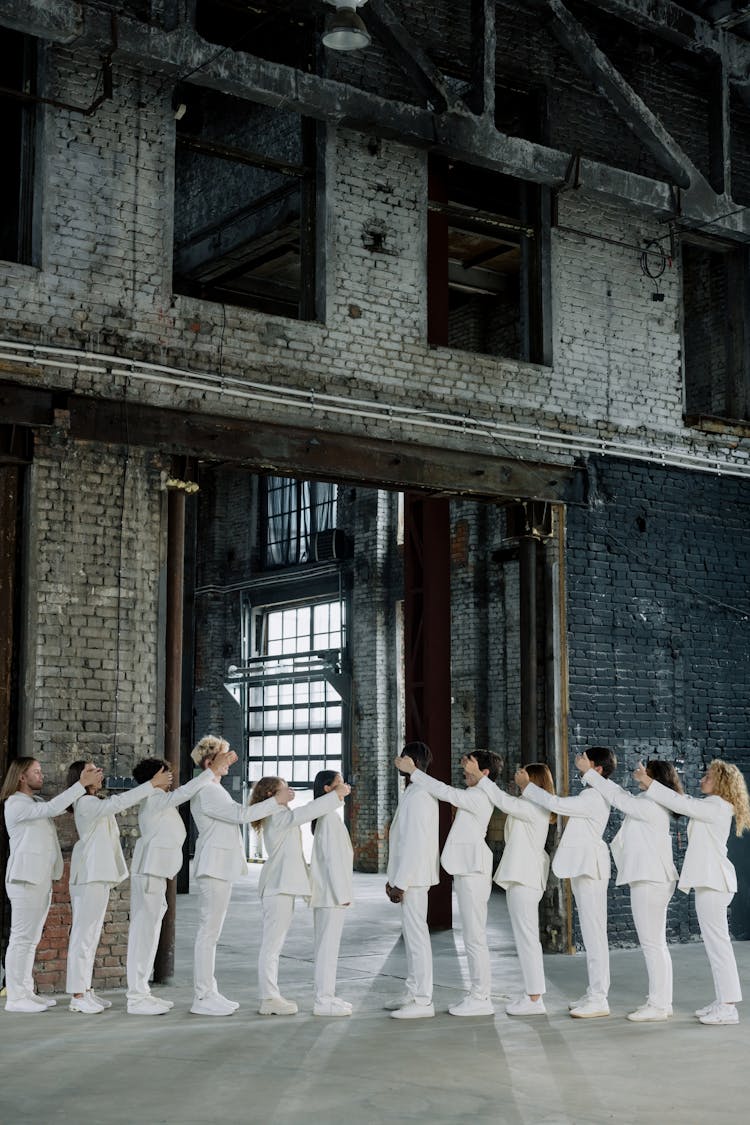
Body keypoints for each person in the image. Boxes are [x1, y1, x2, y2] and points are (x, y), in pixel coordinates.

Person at [638, 757, 750, 1026]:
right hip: (710, 883)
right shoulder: (713, 806)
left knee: (718, 946)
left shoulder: (717, 806)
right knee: (715, 945)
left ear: (721, 782)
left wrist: (650, 782)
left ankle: (728, 1007)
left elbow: (682, 804)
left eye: (708, 777)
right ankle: (723, 1000)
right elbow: (685, 801)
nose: (702, 779)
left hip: (714, 883)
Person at [189, 735, 293, 1017]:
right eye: (224, 756)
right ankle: (202, 995)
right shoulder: (208, 791)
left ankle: (209, 990)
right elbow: (241, 815)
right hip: (213, 867)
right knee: (208, 933)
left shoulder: (214, 789)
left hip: (219, 867)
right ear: (210, 762)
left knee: (212, 933)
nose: (230, 762)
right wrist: (275, 802)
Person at [125, 746, 233, 1015]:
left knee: (150, 934)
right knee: (143, 934)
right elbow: (186, 792)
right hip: (149, 872)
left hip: (157, 873)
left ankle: (143, 993)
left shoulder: (159, 799)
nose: (171, 777)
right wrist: (211, 771)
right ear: (154, 777)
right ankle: (136, 997)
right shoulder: (154, 797)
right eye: (165, 773)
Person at [393, 749, 501, 1016]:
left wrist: (414, 772)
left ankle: (481, 997)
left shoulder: (480, 795)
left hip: (474, 870)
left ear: (485, 773)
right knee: (472, 935)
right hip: (466, 870)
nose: (464, 765)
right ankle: (477, 995)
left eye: (470, 763)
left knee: (475, 937)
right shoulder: (475, 794)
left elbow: (445, 792)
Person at [580, 753, 681, 1022]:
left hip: (650, 881)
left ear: (655, 778)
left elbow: (618, 799)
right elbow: (622, 795)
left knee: (652, 944)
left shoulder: (651, 804)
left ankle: (658, 1005)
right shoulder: (649, 802)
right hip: (653, 879)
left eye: (644, 771)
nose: (638, 774)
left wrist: (590, 774)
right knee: (656, 944)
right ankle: (663, 1002)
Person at [518, 746, 616, 1018]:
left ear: (597, 767)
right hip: (587, 868)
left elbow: (557, 805)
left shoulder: (594, 795)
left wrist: (528, 787)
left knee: (595, 934)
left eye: (584, 757)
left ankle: (599, 998)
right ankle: (594, 992)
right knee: (592, 932)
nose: (578, 758)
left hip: (591, 869)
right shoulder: (592, 793)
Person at [65, 759, 170, 1014]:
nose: (98, 772)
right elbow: (118, 803)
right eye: (90, 770)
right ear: (79, 778)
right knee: (83, 936)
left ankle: (86, 990)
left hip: (97, 876)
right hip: (89, 876)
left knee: (90, 936)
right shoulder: (86, 803)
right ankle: (77, 996)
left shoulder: (94, 802)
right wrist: (150, 785)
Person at [1, 756, 102, 1013]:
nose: (41, 775)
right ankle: (15, 996)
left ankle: (26, 991)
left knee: (31, 939)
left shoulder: (34, 801)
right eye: (35, 771)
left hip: (38, 878)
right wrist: (81, 785)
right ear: (21, 777)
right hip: (25, 879)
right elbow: (53, 808)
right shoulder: (15, 803)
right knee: (22, 938)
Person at [250, 773, 349, 1015]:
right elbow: (305, 812)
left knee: (273, 945)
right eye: (285, 788)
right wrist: (335, 796)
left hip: (281, 887)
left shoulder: (279, 815)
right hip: (277, 886)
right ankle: (269, 998)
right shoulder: (277, 814)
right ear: (271, 795)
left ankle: (271, 996)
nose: (291, 791)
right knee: (272, 946)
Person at [464, 756, 554, 1016]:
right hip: (523, 876)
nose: (518, 772)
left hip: (525, 877)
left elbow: (502, 800)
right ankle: (533, 994)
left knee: (527, 938)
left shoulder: (533, 806)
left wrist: (481, 778)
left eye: (524, 771)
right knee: (525, 937)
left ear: (534, 780)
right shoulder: (530, 804)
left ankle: (535, 998)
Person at [385, 741, 440, 1019]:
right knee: (412, 936)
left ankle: (423, 1000)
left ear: (412, 761)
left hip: (415, 878)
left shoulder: (420, 795)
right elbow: (401, 839)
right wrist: (392, 877)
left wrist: (401, 882)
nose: (397, 760)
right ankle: (412, 990)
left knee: (417, 938)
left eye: (402, 756)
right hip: (408, 876)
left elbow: (416, 843)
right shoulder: (413, 791)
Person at [310, 770, 354, 1017]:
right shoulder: (327, 818)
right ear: (327, 789)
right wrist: (342, 893)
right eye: (340, 784)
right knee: (326, 949)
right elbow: (330, 860)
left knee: (328, 948)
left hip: (332, 895)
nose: (345, 787)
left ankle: (328, 996)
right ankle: (323, 1000)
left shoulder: (329, 816)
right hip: (331, 896)